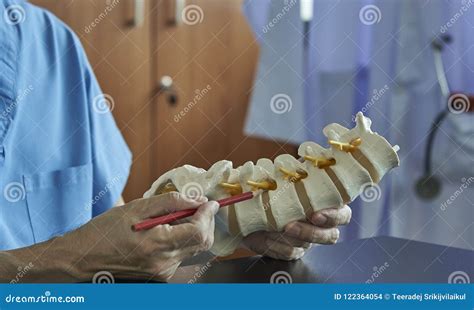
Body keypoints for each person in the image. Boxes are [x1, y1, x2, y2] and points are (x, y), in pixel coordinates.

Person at [0, 0, 352, 282]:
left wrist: (233, 224)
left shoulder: (51, 45)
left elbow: (114, 233)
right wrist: (71, 259)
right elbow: (89, 253)